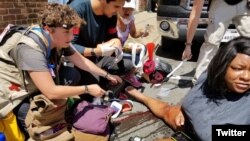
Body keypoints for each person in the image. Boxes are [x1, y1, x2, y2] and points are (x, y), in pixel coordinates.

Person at [12, 3, 122, 139]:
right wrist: (87, 89)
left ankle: (63, 112)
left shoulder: (58, 39)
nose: (71, 38)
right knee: (38, 119)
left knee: (72, 74)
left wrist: (107, 75)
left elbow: (81, 61)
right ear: (48, 29)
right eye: (66, 32)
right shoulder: (30, 49)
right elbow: (50, 91)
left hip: (40, 82)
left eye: (72, 32)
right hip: (17, 95)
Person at [126, 36, 250, 141]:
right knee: (167, 110)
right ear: (222, 66)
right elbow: (195, 96)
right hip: (191, 125)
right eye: (238, 69)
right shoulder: (210, 75)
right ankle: (141, 96)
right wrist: (184, 110)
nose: (246, 77)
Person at [66, 0, 134, 90]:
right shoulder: (77, 10)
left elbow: (112, 36)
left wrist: (116, 42)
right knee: (94, 85)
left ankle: (104, 78)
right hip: (77, 60)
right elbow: (69, 47)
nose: (119, 11)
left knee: (128, 65)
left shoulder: (110, 14)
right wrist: (96, 51)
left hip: (97, 57)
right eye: (116, 6)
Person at [182, 0, 250, 83]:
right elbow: (195, 13)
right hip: (221, 5)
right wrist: (188, 45)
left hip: (245, 4)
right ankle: (199, 81)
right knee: (211, 42)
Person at [117, 0, 149, 87]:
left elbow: (134, 34)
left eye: (130, 9)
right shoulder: (112, 20)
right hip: (112, 53)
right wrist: (127, 48)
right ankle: (122, 74)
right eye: (124, 8)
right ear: (119, 8)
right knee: (131, 61)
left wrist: (142, 32)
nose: (127, 11)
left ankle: (129, 75)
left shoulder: (130, 19)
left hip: (121, 50)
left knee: (142, 48)